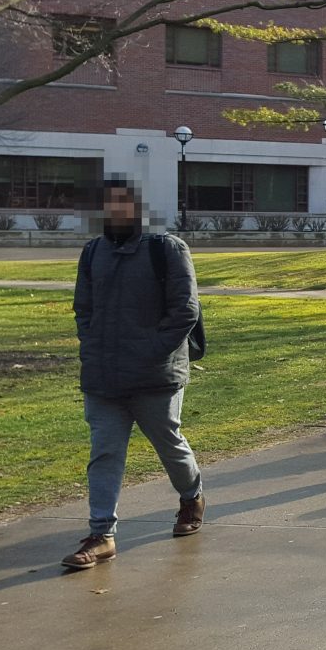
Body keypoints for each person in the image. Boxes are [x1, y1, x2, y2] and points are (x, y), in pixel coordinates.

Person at [61, 179, 206, 570]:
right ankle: (101, 534)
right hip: (103, 377)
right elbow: (83, 309)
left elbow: (185, 312)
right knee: (105, 452)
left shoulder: (167, 249)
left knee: (169, 445)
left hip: (155, 376)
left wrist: (150, 351)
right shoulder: (93, 252)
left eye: (123, 203)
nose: (116, 211)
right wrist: (91, 347)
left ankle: (191, 495)